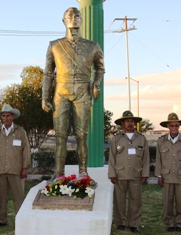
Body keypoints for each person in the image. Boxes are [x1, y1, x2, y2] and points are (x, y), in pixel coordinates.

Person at [41, 7, 105, 183]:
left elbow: (100, 68)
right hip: (61, 92)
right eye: (70, 16)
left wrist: (96, 82)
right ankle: (59, 173)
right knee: (60, 135)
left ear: (82, 20)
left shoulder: (92, 46)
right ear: (64, 21)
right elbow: (47, 73)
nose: (74, 19)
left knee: (81, 135)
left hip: (83, 92)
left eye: (77, 16)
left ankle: (83, 173)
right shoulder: (55, 45)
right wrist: (45, 97)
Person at [0, 104, 31, 228]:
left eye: (8, 115)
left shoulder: (20, 131)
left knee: (18, 197)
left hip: (16, 170)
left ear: (13, 117)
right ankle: (1, 219)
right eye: (3, 116)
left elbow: (26, 150)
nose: (5, 118)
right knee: (1, 197)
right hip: (0, 169)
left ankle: (20, 220)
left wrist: (25, 167)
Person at [108, 111, 150, 233]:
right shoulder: (116, 139)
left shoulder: (141, 139)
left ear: (135, 123)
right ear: (122, 123)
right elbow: (112, 158)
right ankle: (120, 222)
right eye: (127, 121)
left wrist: (145, 174)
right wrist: (112, 174)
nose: (130, 123)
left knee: (135, 200)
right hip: (120, 174)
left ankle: (133, 223)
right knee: (119, 200)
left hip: (136, 174)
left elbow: (146, 159)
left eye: (132, 121)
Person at [155, 113, 181, 232]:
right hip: (166, 176)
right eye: (172, 125)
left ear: (179, 126)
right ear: (168, 126)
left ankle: (180, 223)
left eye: (177, 125)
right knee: (167, 202)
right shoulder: (161, 141)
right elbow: (158, 159)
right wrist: (159, 176)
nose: (174, 128)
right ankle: (169, 223)